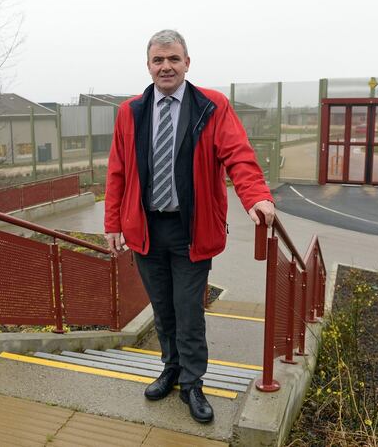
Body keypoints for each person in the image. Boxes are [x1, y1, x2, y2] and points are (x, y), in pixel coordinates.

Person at [104, 29, 275, 424]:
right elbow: (117, 171)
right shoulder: (131, 112)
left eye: (173, 59)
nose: (166, 66)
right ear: (148, 66)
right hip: (146, 229)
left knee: (188, 312)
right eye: (158, 60)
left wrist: (256, 196)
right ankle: (170, 369)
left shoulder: (210, 106)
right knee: (163, 310)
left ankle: (193, 383)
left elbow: (238, 155)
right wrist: (113, 221)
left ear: (187, 63)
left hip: (190, 231)